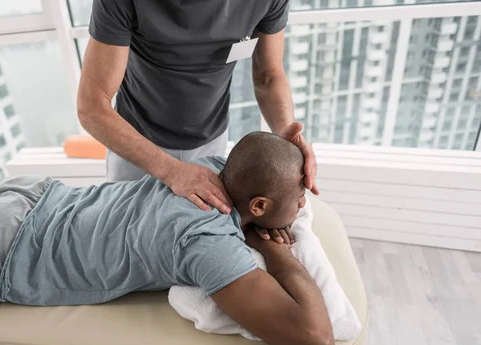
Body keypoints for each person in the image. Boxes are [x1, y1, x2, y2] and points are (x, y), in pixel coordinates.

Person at [0, 132, 333, 345]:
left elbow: (260, 159)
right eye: (299, 199)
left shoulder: (212, 168)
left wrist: (286, 151)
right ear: (258, 203)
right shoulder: (210, 243)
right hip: (1, 249)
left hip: (32, 196)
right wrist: (280, 255)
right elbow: (316, 341)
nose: (302, 206)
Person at [77, 0, 320, 218]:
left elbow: (269, 76)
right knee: (128, 239)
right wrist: (172, 172)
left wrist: (287, 133)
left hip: (211, 141)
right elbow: (91, 106)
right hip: (136, 146)